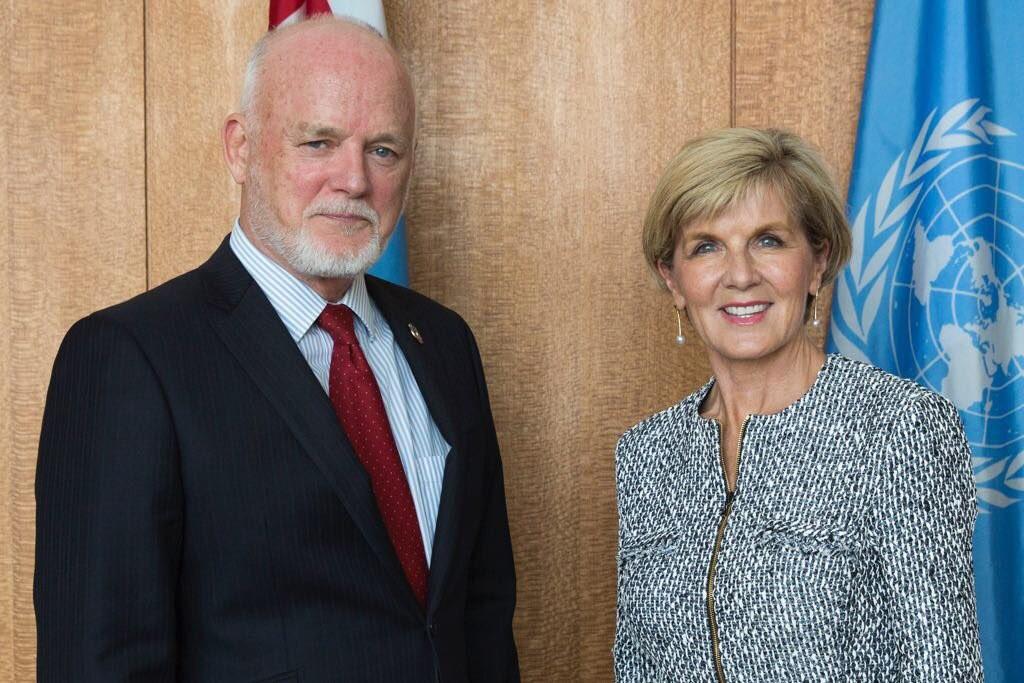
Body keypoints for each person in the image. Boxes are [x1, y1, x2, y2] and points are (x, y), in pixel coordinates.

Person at [35, 16, 518, 682]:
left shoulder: (443, 344)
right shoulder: (131, 358)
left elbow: (481, 621)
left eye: (383, 149)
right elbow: (102, 663)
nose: (353, 179)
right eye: (319, 142)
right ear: (241, 148)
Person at [614, 128, 983, 681]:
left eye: (768, 240)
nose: (740, 275)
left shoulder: (899, 429)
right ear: (674, 280)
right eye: (707, 246)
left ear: (817, 262)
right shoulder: (645, 456)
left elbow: (944, 669)